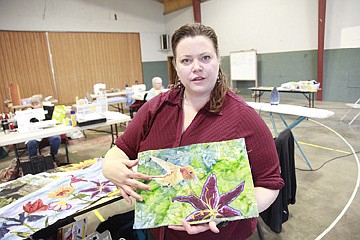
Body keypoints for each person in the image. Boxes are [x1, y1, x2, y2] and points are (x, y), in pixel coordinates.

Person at [102, 23, 284, 240]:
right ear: (176, 67)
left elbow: (270, 184)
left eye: (205, 58)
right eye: (186, 60)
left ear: (218, 60)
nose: (196, 67)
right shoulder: (155, 108)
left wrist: (224, 213)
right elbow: (122, 149)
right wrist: (110, 166)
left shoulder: (243, 117)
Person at [26, 94, 61, 161]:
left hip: (49, 130)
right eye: (33, 104)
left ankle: (53, 156)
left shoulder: (49, 109)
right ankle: (33, 161)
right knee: (31, 142)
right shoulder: (29, 112)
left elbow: (55, 119)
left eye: (37, 104)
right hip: (35, 132)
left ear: (41, 103)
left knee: (56, 138)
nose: (35, 106)